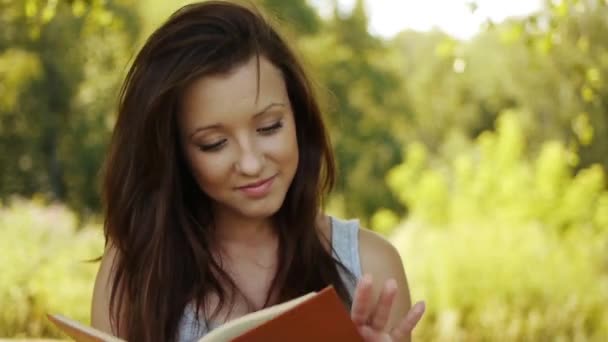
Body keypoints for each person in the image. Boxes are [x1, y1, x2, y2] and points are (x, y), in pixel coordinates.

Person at [90, 1, 425, 341]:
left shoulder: (370, 265)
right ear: (174, 153)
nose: (251, 163)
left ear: (298, 116)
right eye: (214, 144)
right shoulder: (134, 271)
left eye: (269, 127)